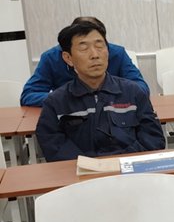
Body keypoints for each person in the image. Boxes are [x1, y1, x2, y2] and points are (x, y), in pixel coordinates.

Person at [36, 19, 165, 162]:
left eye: (99, 46)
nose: (95, 55)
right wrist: (89, 164)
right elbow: (53, 146)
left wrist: (120, 162)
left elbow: (153, 138)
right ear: (68, 58)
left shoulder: (133, 92)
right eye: (84, 48)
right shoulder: (55, 102)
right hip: (80, 172)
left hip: (130, 169)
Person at [21, 16, 148, 107]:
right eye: (83, 46)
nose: (94, 54)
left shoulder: (117, 53)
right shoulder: (51, 57)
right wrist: (68, 98)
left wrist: (105, 97)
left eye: (98, 43)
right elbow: (29, 95)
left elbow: (141, 89)